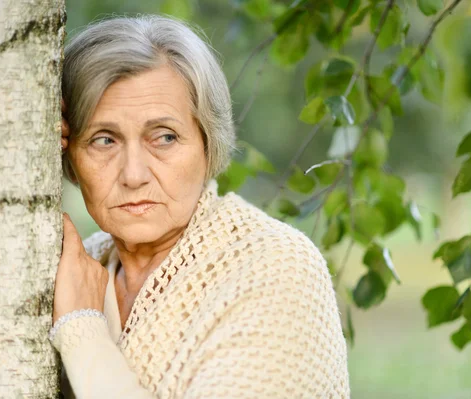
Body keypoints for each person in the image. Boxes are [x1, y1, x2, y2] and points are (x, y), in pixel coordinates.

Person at [52, 14, 350, 398]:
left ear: (209, 145)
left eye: (164, 137)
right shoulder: (74, 267)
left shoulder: (275, 267)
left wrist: (82, 330)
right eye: (104, 140)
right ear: (69, 156)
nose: (134, 174)